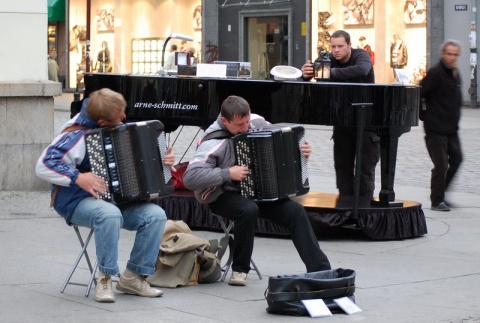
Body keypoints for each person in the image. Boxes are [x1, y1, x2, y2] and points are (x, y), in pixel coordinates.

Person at [35, 88, 175, 303]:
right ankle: (105, 277)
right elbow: (43, 165)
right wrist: (78, 177)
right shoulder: (75, 134)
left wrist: (163, 160)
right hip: (76, 201)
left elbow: (147, 161)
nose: (124, 118)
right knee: (109, 214)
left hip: (117, 200)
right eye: (120, 116)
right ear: (102, 122)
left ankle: (133, 277)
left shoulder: (117, 127)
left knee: (155, 215)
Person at [183, 95, 331, 286]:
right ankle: (240, 269)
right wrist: (228, 173)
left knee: (296, 212)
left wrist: (301, 151)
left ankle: (321, 270)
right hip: (220, 195)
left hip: (257, 190)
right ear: (224, 120)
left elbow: (282, 141)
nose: (245, 128)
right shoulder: (211, 142)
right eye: (239, 125)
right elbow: (190, 178)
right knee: (248, 209)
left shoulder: (256, 122)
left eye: (246, 121)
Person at [301, 30, 378, 201]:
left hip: (366, 123)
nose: (336, 50)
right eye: (333, 46)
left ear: (349, 45)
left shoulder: (361, 55)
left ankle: (364, 209)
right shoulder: (327, 59)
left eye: (341, 46)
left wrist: (328, 72)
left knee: (365, 171)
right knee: (342, 169)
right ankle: (345, 207)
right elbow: (313, 76)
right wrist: (305, 74)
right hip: (342, 121)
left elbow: (362, 70)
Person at [420, 40, 463, 211]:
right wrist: (423, 116)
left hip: (451, 127)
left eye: (455, 54)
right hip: (435, 127)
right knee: (441, 164)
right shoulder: (435, 73)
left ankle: (442, 193)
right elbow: (419, 93)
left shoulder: (455, 73)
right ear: (443, 54)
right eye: (449, 54)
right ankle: (436, 200)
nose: (452, 57)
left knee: (457, 158)